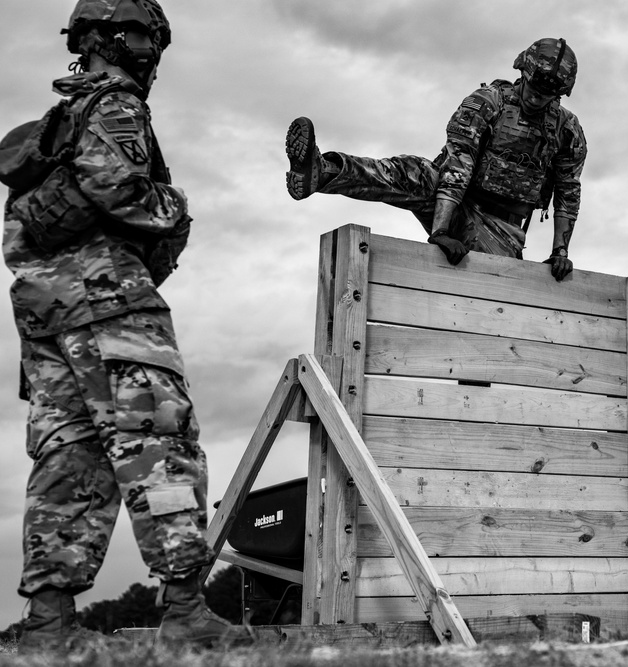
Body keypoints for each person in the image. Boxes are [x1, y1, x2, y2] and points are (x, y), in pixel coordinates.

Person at [0, 0, 250, 651]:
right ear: (106, 38)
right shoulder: (115, 104)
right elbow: (121, 193)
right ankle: (186, 608)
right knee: (159, 439)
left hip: (43, 313)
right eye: (144, 34)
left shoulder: (55, 122)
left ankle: (49, 623)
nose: (153, 49)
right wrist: (175, 204)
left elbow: (25, 229)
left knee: (70, 456)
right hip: (109, 301)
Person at [285, 37, 587, 281]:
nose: (537, 97)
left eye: (548, 94)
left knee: (494, 285)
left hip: (499, 226)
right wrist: (440, 231)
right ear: (524, 72)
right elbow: (458, 164)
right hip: (452, 196)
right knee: (412, 173)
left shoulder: (566, 130)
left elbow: (567, 192)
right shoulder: (489, 103)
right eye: (534, 87)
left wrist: (560, 252)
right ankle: (323, 171)